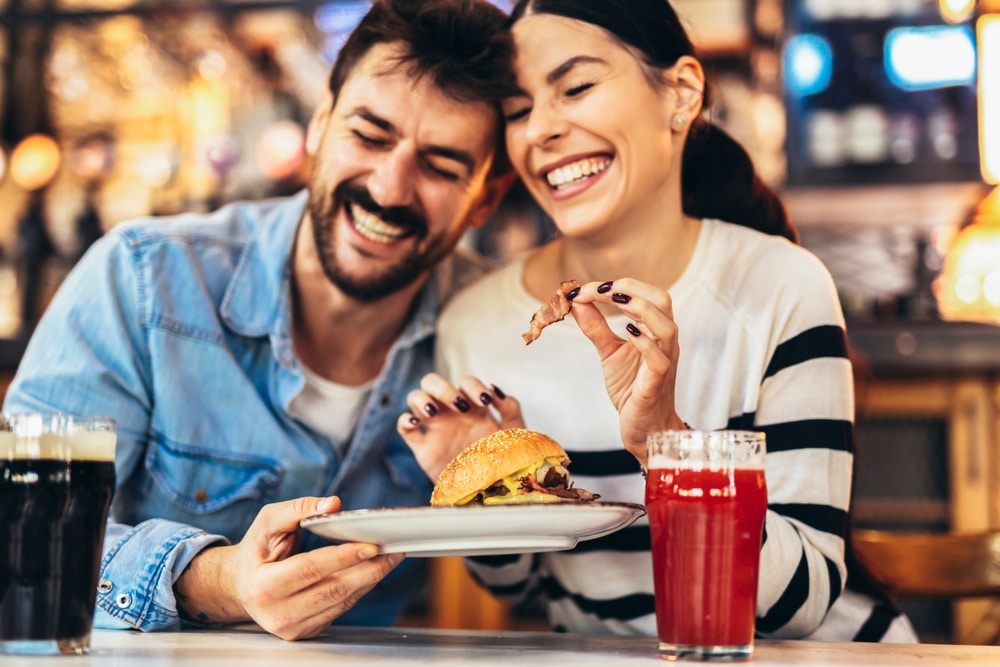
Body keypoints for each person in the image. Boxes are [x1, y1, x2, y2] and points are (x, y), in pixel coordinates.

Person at [397, 0, 918, 643]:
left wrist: (665, 444)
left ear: (681, 91)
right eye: (516, 111)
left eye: (577, 87)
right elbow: (524, 585)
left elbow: (801, 606)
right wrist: (486, 493)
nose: (541, 131)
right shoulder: (477, 322)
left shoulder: (780, 284)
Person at [2, 0, 516, 641]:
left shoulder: (496, 325)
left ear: (485, 199)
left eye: (441, 166)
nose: (389, 188)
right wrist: (220, 580)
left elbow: (520, 577)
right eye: (369, 135)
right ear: (319, 126)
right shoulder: (141, 279)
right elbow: (20, 535)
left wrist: (499, 490)